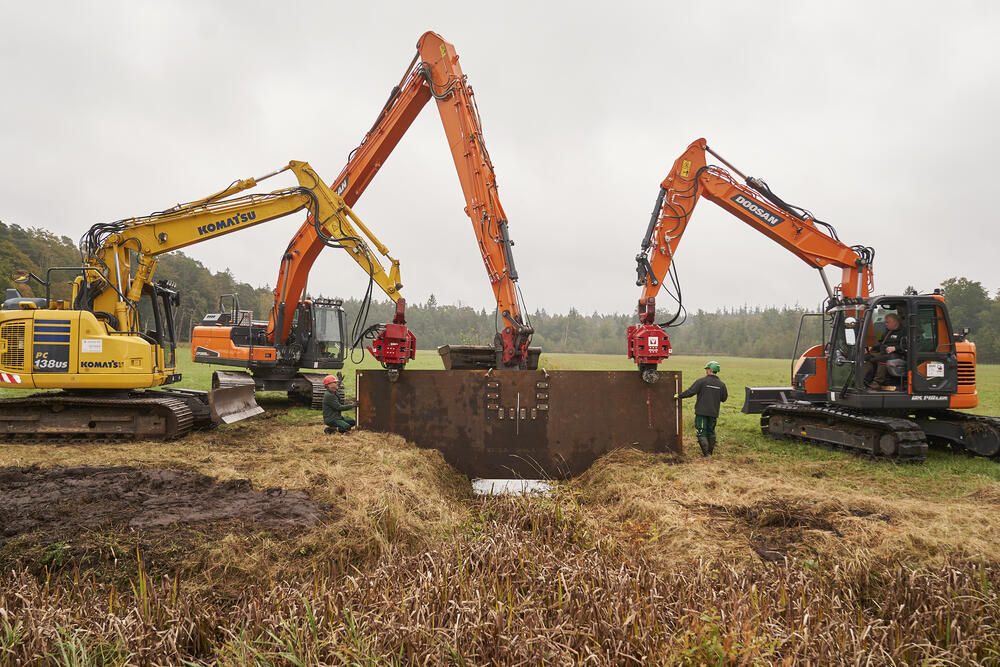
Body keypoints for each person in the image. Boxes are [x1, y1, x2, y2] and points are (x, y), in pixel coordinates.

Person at [676, 360, 728, 457]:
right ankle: (710, 453)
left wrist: (679, 396)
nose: (706, 371)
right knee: (711, 431)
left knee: (701, 431)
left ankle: (706, 454)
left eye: (707, 369)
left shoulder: (701, 381)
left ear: (710, 370)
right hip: (713, 412)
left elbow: (690, 392)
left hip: (701, 412)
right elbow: (724, 399)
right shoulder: (722, 385)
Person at [863, 313, 907, 391]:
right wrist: (872, 347)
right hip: (884, 353)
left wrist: (895, 348)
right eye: (885, 322)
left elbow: (908, 345)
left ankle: (877, 382)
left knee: (882, 359)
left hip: (897, 354)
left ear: (895, 322)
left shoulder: (904, 332)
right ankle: (866, 380)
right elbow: (881, 344)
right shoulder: (888, 332)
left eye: (887, 322)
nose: (885, 324)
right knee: (867, 357)